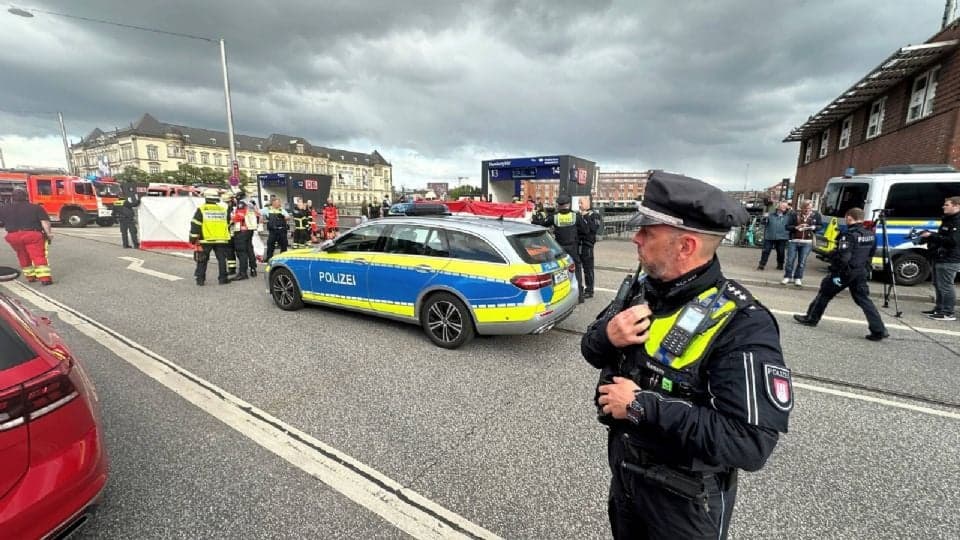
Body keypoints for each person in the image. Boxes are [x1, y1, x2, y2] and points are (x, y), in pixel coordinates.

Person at [582, 171, 792, 540]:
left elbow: (750, 442)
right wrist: (607, 335)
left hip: (685, 503)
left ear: (686, 246)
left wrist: (640, 406)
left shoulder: (743, 324)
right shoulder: (641, 288)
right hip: (627, 477)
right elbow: (591, 350)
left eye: (647, 231)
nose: (636, 237)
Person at [793, 208, 888, 339]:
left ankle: (811, 318)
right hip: (860, 272)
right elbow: (870, 254)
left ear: (849, 218)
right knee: (864, 300)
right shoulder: (870, 234)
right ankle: (879, 330)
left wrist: (836, 273)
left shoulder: (849, 235)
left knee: (824, 293)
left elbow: (844, 257)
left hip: (845, 272)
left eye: (846, 218)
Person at [918, 196, 960, 321]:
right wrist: (930, 235)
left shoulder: (958, 221)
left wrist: (932, 235)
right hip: (940, 255)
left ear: (957, 206)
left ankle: (948, 312)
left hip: (950, 258)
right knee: (938, 284)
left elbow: (953, 241)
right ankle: (939, 308)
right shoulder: (949, 219)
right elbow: (943, 236)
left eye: (947, 205)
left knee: (946, 285)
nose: (943, 206)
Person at [0, 189, 54, 285]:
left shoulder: (3, 209)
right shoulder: (36, 207)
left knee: (22, 255)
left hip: (13, 236)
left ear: (12, 198)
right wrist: (49, 234)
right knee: (38, 255)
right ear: (26, 197)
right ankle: (45, 279)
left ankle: (30, 277)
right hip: (32, 234)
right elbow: (45, 222)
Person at [190, 189, 232, 286]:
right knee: (222, 259)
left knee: (202, 259)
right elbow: (228, 223)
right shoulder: (222, 210)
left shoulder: (202, 209)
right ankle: (223, 279)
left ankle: (200, 280)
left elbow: (195, 224)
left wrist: (193, 238)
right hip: (221, 239)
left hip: (206, 239)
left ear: (206, 198)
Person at [551, 194, 589, 303]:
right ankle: (580, 296)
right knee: (576, 270)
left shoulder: (555, 217)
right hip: (573, 247)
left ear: (558, 205)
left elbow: (541, 223)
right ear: (568, 204)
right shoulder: (575, 216)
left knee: (559, 272)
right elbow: (585, 230)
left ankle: (561, 296)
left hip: (559, 249)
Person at [782, 200, 822, 287]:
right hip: (794, 240)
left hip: (807, 242)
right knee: (790, 260)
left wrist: (812, 227)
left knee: (802, 261)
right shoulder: (794, 215)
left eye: (809, 208)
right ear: (801, 208)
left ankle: (798, 277)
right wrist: (796, 227)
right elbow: (787, 227)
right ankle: (787, 276)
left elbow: (820, 226)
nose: (807, 210)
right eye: (805, 208)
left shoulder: (816, 215)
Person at [579, 197, 603, 298]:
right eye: (579, 203)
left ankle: (589, 290)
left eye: (581, 203)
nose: (579, 205)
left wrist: (587, 217)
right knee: (577, 269)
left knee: (588, 269)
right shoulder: (578, 215)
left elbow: (594, 228)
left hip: (587, 246)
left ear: (588, 203)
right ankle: (579, 289)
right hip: (578, 245)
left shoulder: (595, 215)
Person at [229, 200, 259, 280]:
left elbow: (240, 215)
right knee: (250, 250)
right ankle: (253, 269)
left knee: (241, 252)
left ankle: (243, 273)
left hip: (242, 231)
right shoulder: (251, 203)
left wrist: (232, 219)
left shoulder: (242, 203)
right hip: (249, 230)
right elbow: (257, 215)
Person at [756, 200, 789, 270]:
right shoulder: (771, 214)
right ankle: (762, 264)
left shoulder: (788, 216)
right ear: (778, 206)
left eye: (785, 206)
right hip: (769, 236)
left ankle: (780, 264)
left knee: (781, 252)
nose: (784, 207)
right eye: (783, 206)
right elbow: (763, 223)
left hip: (782, 237)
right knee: (766, 251)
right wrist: (764, 218)